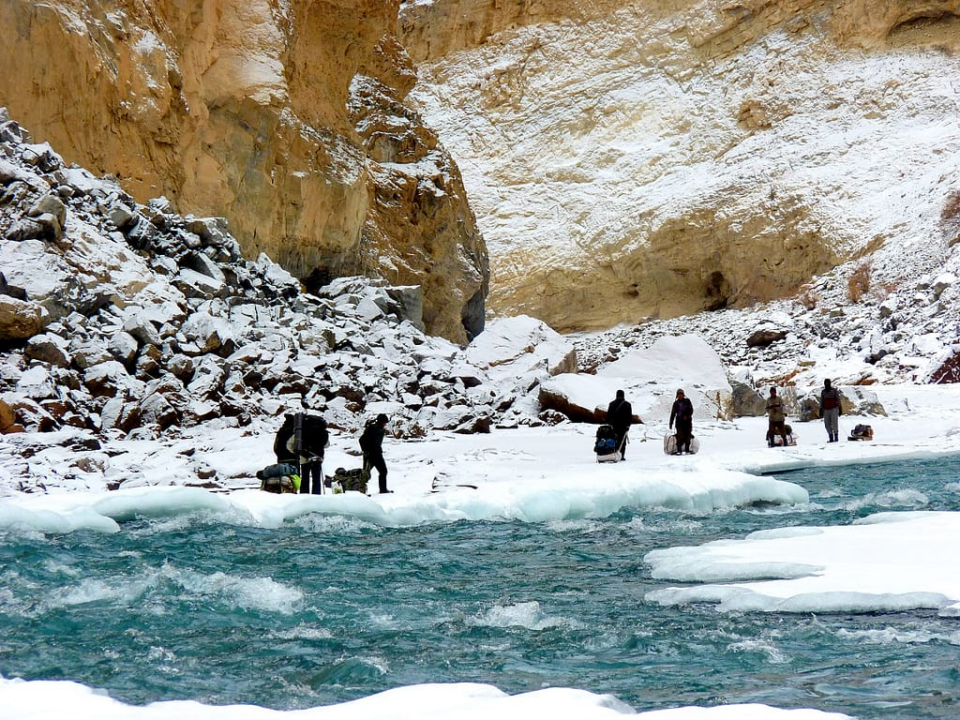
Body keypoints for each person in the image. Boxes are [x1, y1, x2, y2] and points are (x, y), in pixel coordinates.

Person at [360, 413, 391, 494]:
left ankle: (382, 490)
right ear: (381, 422)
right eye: (385, 422)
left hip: (374, 454)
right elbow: (362, 440)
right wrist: (366, 451)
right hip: (372, 455)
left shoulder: (377, 429)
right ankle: (362, 491)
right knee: (367, 474)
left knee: (368, 473)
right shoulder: (374, 429)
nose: (385, 424)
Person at [606, 389, 633, 460]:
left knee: (613, 440)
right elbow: (629, 417)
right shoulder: (627, 404)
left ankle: (612, 454)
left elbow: (608, 416)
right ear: (623, 395)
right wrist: (628, 426)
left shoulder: (611, 404)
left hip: (613, 426)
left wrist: (610, 424)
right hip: (623, 426)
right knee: (622, 442)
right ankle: (621, 455)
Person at [669, 389, 694, 454]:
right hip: (679, 422)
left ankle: (687, 449)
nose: (680, 395)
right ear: (677, 395)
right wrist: (671, 423)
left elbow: (691, 410)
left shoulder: (687, 401)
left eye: (681, 394)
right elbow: (673, 413)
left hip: (687, 422)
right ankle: (679, 449)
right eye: (679, 394)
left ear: (683, 395)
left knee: (687, 435)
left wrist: (687, 416)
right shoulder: (675, 403)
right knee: (680, 435)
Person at [820, 378, 842, 443]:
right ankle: (831, 437)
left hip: (834, 409)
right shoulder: (823, 392)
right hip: (826, 409)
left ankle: (836, 437)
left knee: (834, 423)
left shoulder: (834, 390)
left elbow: (838, 400)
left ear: (830, 383)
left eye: (828, 382)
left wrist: (840, 408)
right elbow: (822, 401)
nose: (826, 384)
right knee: (826, 424)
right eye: (825, 383)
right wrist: (821, 409)